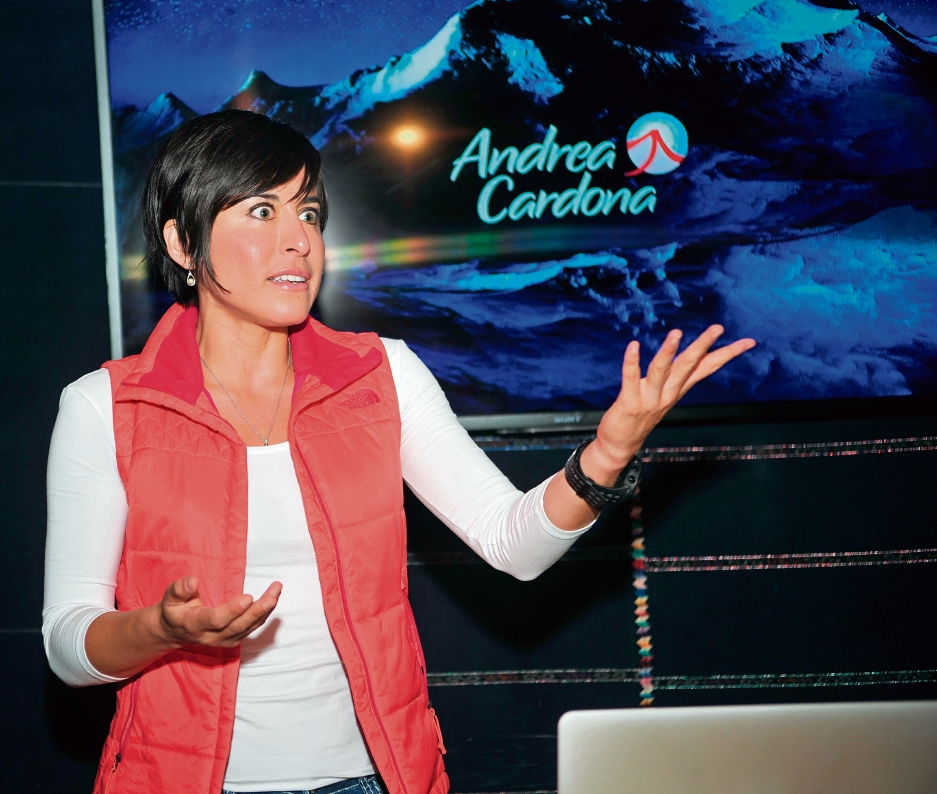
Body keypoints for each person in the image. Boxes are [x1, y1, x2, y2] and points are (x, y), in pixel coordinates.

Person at [42, 110, 754, 794]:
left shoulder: (383, 375)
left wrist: (606, 453)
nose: (299, 240)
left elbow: (516, 544)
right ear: (181, 243)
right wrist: (158, 628)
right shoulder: (106, 407)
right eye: (262, 211)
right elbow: (68, 647)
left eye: (310, 214)